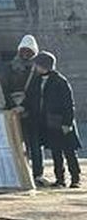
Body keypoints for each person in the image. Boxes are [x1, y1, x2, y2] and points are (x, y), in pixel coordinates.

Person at [26, 52, 80, 188]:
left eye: (37, 64)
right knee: (56, 152)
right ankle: (60, 179)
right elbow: (31, 98)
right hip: (47, 122)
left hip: (60, 120)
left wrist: (67, 123)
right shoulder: (36, 80)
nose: (35, 67)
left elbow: (69, 104)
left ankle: (75, 178)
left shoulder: (60, 81)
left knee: (69, 151)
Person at [6, 35, 42, 172]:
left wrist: (26, 107)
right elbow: (5, 88)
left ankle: (37, 172)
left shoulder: (38, 69)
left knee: (35, 143)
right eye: (24, 50)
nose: (26, 53)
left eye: (29, 51)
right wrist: (13, 106)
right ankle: (22, 172)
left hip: (33, 111)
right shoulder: (10, 68)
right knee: (16, 143)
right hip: (14, 109)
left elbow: (38, 92)